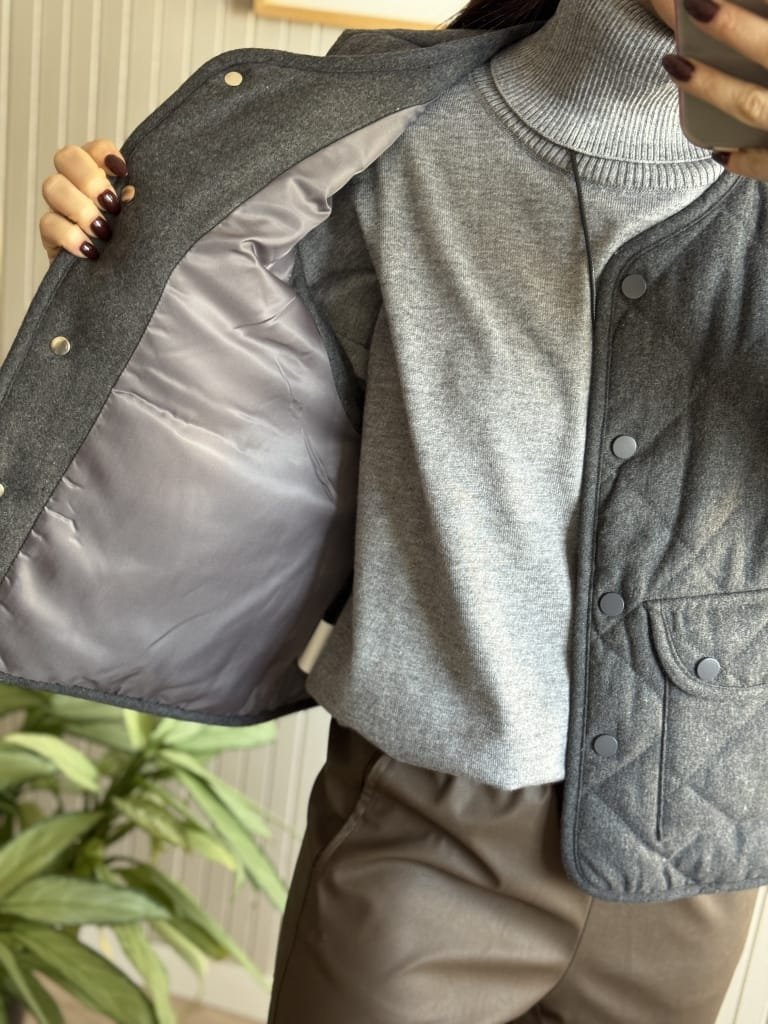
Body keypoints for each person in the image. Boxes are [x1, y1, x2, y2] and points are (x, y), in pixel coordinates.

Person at [35, 0, 768, 1020]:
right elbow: (229, 372)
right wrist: (132, 240)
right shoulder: (395, 130)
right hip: (424, 833)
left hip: (698, 829)